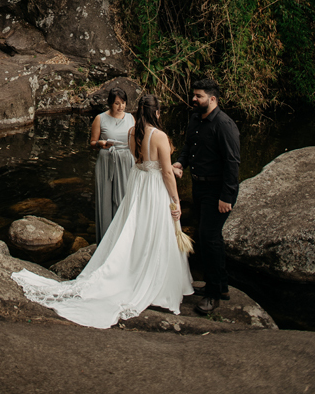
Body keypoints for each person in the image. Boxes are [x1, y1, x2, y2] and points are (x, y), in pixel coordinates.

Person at [11, 95, 192, 329]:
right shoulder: (160, 137)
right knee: (154, 229)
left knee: (132, 227)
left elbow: (142, 162)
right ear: (157, 114)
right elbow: (165, 173)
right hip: (154, 189)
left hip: (138, 185)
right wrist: (175, 201)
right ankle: (150, 275)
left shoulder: (131, 133)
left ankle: (130, 266)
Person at [172, 78, 240, 316]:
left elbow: (233, 162)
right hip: (199, 188)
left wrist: (227, 196)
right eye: (194, 95)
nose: (193, 99)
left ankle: (213, 295)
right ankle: (220, 287)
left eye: (198, 96)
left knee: (208, 237)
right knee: (209, 238)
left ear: (212, 99)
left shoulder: (224, 124)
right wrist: (181, 162)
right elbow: (188, 146)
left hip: (218, 191)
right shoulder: (194, 119)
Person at [89, 87, 135, 242]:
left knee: (124, 197)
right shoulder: (100, 118)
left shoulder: (130, 118)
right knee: (106, 199)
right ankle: (106, 240)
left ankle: (124, 239)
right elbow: (92, 143)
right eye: (117, 103)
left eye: (123, 103)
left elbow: (135, 142)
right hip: (107, 161)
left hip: (126, 160)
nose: (120, 106)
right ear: (110, 103)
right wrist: (100, 144)